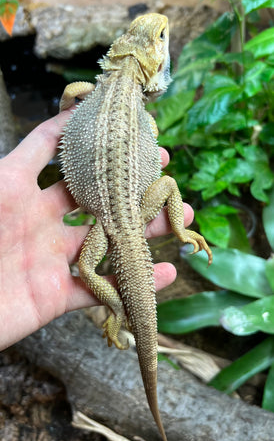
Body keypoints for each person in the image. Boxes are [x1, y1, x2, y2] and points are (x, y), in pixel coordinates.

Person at [0, 109, 195, 351]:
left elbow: (73, 92)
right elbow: (152, 131)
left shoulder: (111, 106)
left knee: (86, 268)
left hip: (116, 214)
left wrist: (67, 105)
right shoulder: (132, 110)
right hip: (128, 212)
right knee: (168, 183)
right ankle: (120, 308)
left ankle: (118, 309)